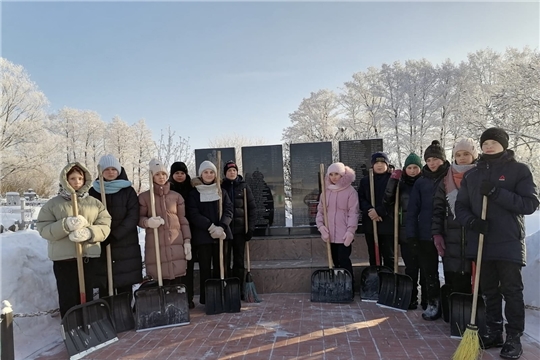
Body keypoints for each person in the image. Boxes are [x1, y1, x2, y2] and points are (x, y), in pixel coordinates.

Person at [455, 128, 539, 359]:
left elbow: (529, 203)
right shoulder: (472, 176)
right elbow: (460, 207)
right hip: (482, 241)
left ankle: (513, 337)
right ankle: (494, 331)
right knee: (489, 291)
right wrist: (472, 222)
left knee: (512, 291)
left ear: (504, 144)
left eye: (494, 142)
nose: (489, 146)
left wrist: (496, 192)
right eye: (485, 142)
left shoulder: (518, 170)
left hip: (508, 241)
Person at [36, 162, 111, 318]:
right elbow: (43, 229)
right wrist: (65, 225)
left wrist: (89, 233)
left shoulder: (95, 203)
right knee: (68, 295)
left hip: (87, 257)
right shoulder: (53, 204)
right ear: (65, 180)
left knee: (88, 294)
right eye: (72, 178)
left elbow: (105, 224)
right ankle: (71, 325)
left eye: (80, 178)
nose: (77, 182)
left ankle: (88, 322)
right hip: (65, 260)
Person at [431, 139, 478, 314]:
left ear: (474, 155)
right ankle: (459, 313)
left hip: (475, 234)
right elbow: (437, 210)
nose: (462, 158)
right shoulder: (446, 180)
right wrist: (437, 233)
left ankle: (476, 314)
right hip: (452, 237)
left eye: (466, 154)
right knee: (456, 276)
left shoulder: (482, 176)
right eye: (458, 155)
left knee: (478, 279)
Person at [406, 140, 451, 321]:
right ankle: (433, 303)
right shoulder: (421, 182)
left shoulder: (450, 177)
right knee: (429, 271)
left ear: (443, 159)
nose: (432, 163)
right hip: (425, 233)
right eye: (429, 159)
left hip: (447, 232)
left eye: (436, 159)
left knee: (450, 271)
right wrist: (411, 234)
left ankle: (449, 304)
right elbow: (412, 210)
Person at [88, 154, 143, 300]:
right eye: (107, 169)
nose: (110, 172)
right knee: (104, 281)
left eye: (114, 169)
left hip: (125, 243)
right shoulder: (94, 192)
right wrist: (101, 234)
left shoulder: (128, 191)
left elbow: (133, 216)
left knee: (125, 280)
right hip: (102, 241)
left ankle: (124, 311)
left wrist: (114, 235)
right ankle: (106, 312)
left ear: (119, 170)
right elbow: (89, 216)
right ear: (100, 172)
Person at [186, 160, 233, 305]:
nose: (209, 175)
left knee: (222, 266)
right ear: (201, 174)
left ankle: (222, 295)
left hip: (222, 235)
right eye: (206, 172)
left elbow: (229, 210)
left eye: (211, 172)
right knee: (205, 268)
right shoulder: (194, 193)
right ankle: (208, 298)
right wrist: (211, 227)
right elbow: (193, 214)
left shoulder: (221, 191)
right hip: (203, 236)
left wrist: (222, 227)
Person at [383, 152, 426, 310]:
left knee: (425, 267)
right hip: (406, 232)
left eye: (416, 167)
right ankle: (412, 296)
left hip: (424, 232)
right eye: (410, 167)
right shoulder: (400, 185)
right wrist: (392, 182)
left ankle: (427, 299)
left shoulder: (425, 182)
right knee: (411, 267)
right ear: (405, 169)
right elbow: (387, 201)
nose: (413, 170)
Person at [138, 159, 192, 286]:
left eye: (163, 174)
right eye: (157, 174)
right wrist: (147, 222)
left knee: (177, 279)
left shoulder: (176, 196)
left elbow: (183, 220)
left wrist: (187, 240)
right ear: (152, 177)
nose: (161, 177)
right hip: (156, 244)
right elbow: (139, 218)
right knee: (160, 278)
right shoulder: (145, 197)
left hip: (176, 243)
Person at [316, 162, 359, 287]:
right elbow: (320, 212)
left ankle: (349, 284)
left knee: (344, 260)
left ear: (343, 175)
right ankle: (338, 285)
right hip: (330, 234)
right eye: (331, 174)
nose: (334, 177)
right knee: (334, 260)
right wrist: (321, 227)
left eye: (337, 174)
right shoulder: (326, 192)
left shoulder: (350, 192)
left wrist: (350, 231)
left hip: (344, 234)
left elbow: (353, 212)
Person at [221, 160, 256, 300]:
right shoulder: (221, 186)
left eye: (234, 170)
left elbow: (252, 208)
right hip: (225, 231)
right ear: (225, 173)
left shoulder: (244, 187)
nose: (232, 172)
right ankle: (227, 288)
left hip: (240, 231)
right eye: (229, 171)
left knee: (239, 261)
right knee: (224, 260)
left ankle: (239, 288)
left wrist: (251, 228)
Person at [358, 152, 394, 268]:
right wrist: (370, 210)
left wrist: (379, 211)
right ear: (372, 165)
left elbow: (393, 200)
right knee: (373, 255)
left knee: (389, 255)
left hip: (387, 223)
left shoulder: (392, 180)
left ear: (387, 165)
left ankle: (389, 279)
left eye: (382, 163)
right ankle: (375, 278)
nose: (379, 165)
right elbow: (361, 199)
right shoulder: (365, 181)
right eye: (376, 163)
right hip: (370, 223)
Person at [168, 161, 196, 309]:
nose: (179, 176)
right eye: (177, 173)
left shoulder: (192, 189)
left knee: (188, 266)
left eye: (182, 173)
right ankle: (176, 297)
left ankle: (188, 296)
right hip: (173, 234)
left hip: (189, 232)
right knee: (175, 266)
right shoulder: (167, 190)